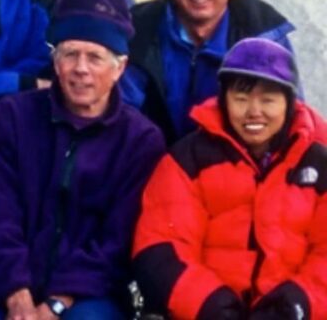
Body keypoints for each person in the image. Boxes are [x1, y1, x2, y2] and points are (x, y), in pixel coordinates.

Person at [0, 0, 165, 320]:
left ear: (120, 68)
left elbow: (116, 241)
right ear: (55, 62)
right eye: (70, 54)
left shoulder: (140, 140)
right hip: (1, 284)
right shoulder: (12, 116)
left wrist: (57, 303)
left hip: (88, 294)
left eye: (95, 57)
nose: (81, 69)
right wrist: (17, 295)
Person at [133, 38, 327, 319]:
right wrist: (211, 306)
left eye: (268, 99)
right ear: (224, 99)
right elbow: (160, 245)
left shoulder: (318, 163)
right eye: (241, 98)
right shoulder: (189, 159)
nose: (254, 111)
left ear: (290, 103)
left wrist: (298, 303)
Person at [121, 0, 295, 143]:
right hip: (151, 160)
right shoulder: (138, 30)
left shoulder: (264, 36)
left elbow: (288, 122)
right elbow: (122, 115)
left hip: (234, 163)